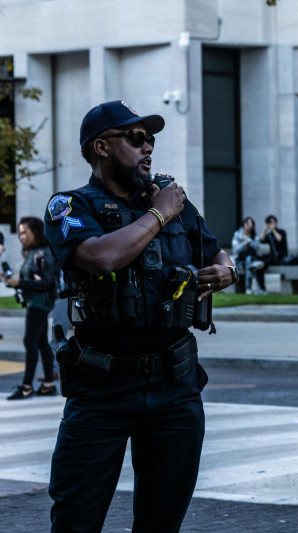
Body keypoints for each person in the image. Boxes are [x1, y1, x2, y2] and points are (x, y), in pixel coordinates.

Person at [44, 99, 236, 531]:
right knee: (76, 520)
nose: (147, 147)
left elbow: (215, 248)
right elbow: (101, 257)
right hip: (102, 390)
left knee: (161, 523)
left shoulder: (172, 201)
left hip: (175, 388)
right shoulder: (73, 206)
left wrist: (227, 269)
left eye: (150, 139)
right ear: (101, 148)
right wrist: (159, 212)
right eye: (135, 138)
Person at [5, 217, 60, 400]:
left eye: (24, 232)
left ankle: (27, 386)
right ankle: (48, 385)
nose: (21, 236)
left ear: (35, 232)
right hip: (35, 301)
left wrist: (20, 282)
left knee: (30, 341)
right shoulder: (33, 251)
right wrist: (15, 282)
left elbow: (48, 282)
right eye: (19, 233)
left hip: (40, 302)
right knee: (42, 342)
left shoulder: (44, 252)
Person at [232, 216, 266, 294]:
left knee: (248, 260)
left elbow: (257, 247)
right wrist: (244, 244)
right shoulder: (237, 234)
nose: (250, 226)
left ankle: (248, 288)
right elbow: (235, 249)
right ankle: (258, 288)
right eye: (248, 223)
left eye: (252, 224)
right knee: (249, 261)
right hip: (240, 260)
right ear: (244, 224)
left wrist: (250, 242)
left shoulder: (254, 235)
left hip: (249, 259)